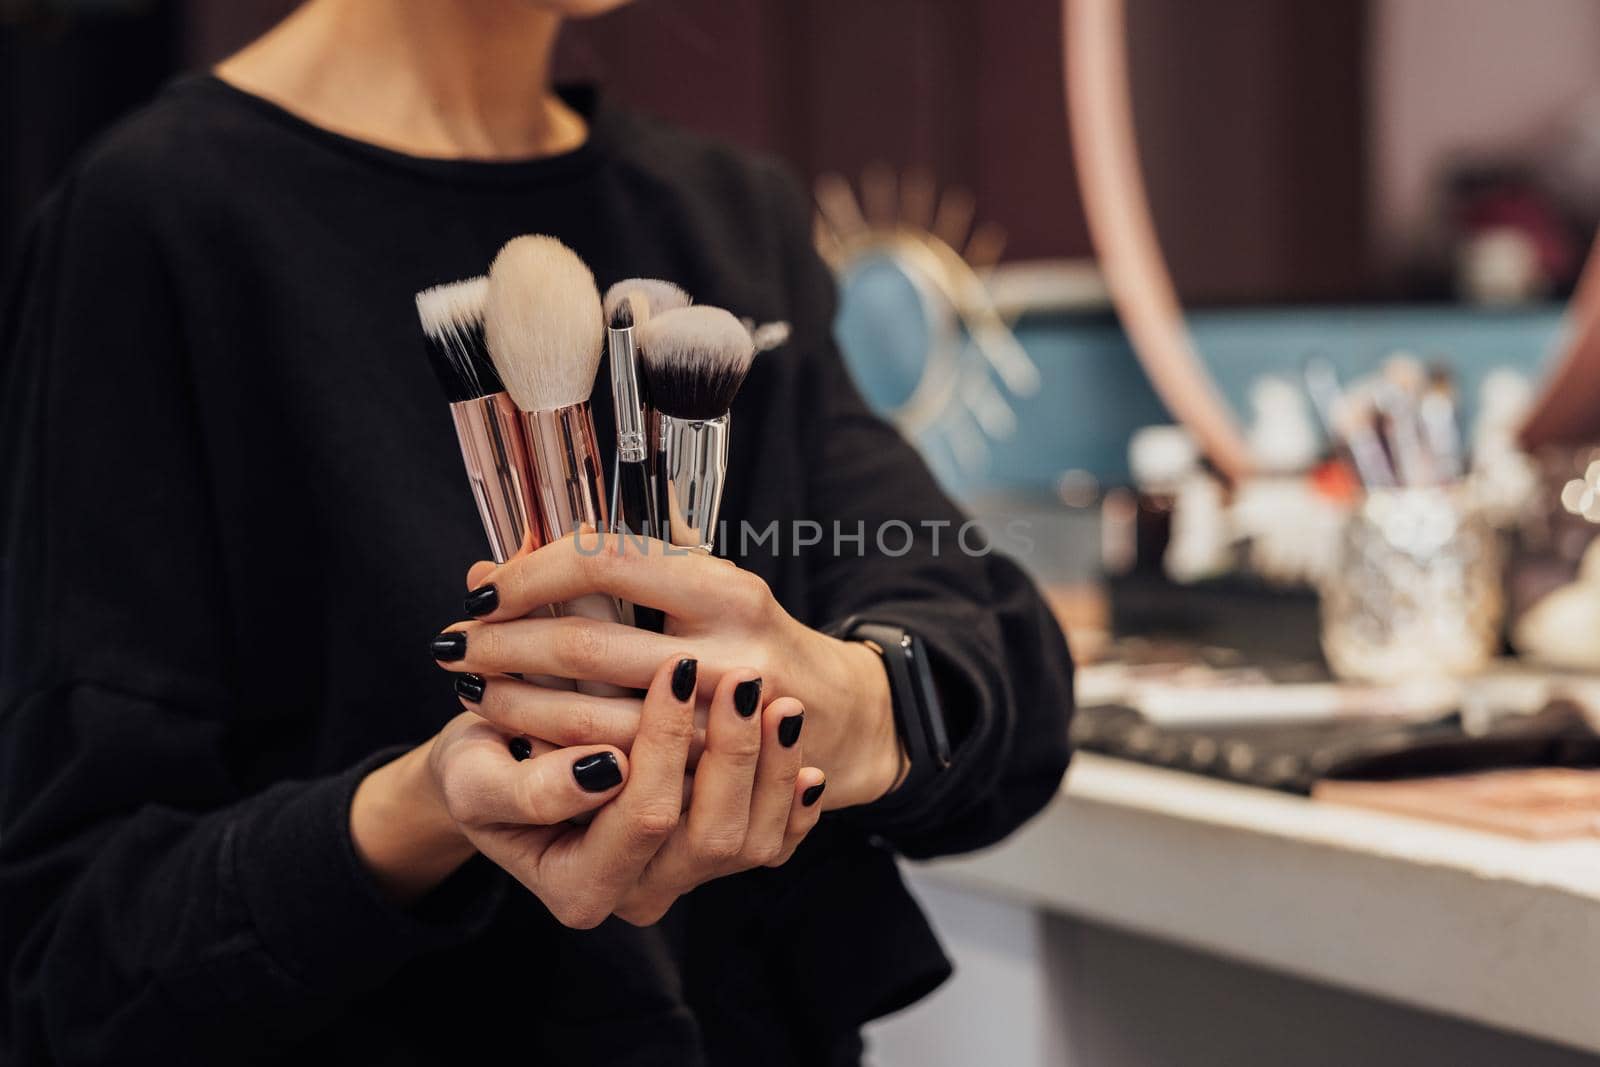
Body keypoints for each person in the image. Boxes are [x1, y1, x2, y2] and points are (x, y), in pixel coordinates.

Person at [0, 1, 1074, 1063]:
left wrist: (852, 703)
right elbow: (76, 960)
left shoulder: (727, 212)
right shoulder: (154, 217)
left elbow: (997, 656)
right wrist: (425, 807)